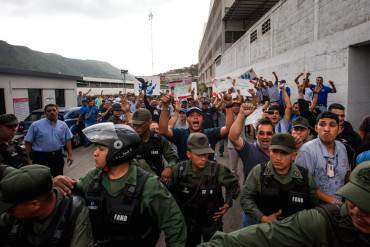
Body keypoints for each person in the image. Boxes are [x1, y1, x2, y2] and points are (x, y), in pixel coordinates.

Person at [53, 123, 186, 246]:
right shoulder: (94, 176)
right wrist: (58, 183)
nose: (95, 153)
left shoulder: (149, 185)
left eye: (101, 149)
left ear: (118, 152)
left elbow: (174, 224)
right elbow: (73, 190)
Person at [198, 161, 370, 247]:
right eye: (352, 201)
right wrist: (263, 218)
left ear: (293, 155)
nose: (355, 211)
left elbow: (312, 197)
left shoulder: (303, 175)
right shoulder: (324, 221)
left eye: (365, 207)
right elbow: (264, 235)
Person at [169, 133, 239, 247]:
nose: (203, 158)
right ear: (188, 154)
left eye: (206, 154)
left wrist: (228, 202)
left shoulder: (217, 170)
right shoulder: (179, 170)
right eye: (199, 154)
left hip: (211, 221)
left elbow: (233, 184)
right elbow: (169, 193)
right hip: (188, 221)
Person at [0, 164, 93, 247]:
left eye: (11, 209)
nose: (8, 212)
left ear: (35, 204)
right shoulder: (15, 212)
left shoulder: (74, 211)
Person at [240, 133, 318, 225]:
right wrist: (263, 218)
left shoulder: (305, 176)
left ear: (293, 156)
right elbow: (245, 198)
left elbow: (314, 204)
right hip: (265, 229)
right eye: (274, 151)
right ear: (269, 152)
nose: (278, 158)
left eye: (284, 153)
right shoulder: (258, 172)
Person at [159, 93, 233, 161]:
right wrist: (165, 107)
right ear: (187, 119)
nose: (195, 117)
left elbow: (228, 128)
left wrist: (229, 105)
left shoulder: (210, 134)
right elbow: (163, 130)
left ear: (202, 119)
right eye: (191, 115)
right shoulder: (181, 135)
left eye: (198, 115)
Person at [296, 111, 349, 205]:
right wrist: (332, 201)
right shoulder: (307, 150)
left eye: (332, 125)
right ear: (316, 128)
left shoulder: (342, 147)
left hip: (340, 204)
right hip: (316, 208)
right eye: (322, 124)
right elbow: (302, 184)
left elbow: (346, 176)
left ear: (339, 129)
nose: (327, 129)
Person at [25, 104, 73, 176]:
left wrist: (70, 155)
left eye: (54, 110)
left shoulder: (63, 125)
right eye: (49, 111)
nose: (52, 112)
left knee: (58, 179)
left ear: (57, 111)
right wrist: (29, 160)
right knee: (42, 181)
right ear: (45, 113)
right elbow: (28, 142)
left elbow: (68, 140)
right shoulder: (35, 125)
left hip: (58, 157)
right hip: (41, 158)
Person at [132, 108, 178, 183]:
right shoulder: (131, 141)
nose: (136, 127)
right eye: (134, 125)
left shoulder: (159, 139)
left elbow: (173, 157)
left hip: (158, 181)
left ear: (149, 122)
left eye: (140, 124)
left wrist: (169, 168)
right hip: (137, 182)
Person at [229, 103, 272, 179]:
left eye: (269, 133)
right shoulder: (249, 150)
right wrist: (241, 114)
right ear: (256, 135)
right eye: (261, 133)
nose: (265, 137)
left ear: (274, 135)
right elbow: (233, 137)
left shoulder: (278, 152)